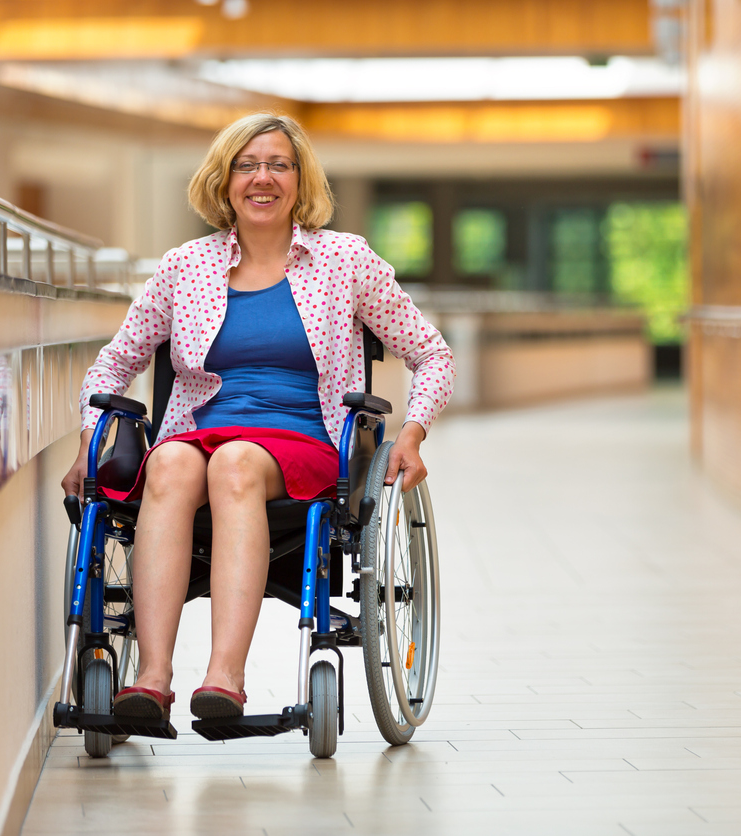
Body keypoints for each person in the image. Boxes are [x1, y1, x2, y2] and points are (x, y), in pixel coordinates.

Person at [60, 113, 455, 721]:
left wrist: (411, 433)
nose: (262, 178)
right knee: (165, 462)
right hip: (202, 432)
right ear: (224, 181)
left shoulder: (345, 261)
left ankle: (224, 678)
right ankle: (152, 678)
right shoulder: (184, 268)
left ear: (301, 180)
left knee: (236, 465)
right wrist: (89, 440)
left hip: (306, 438)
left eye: (279, 164)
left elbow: (431, 354)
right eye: (246, 165)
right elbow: (110, 367)